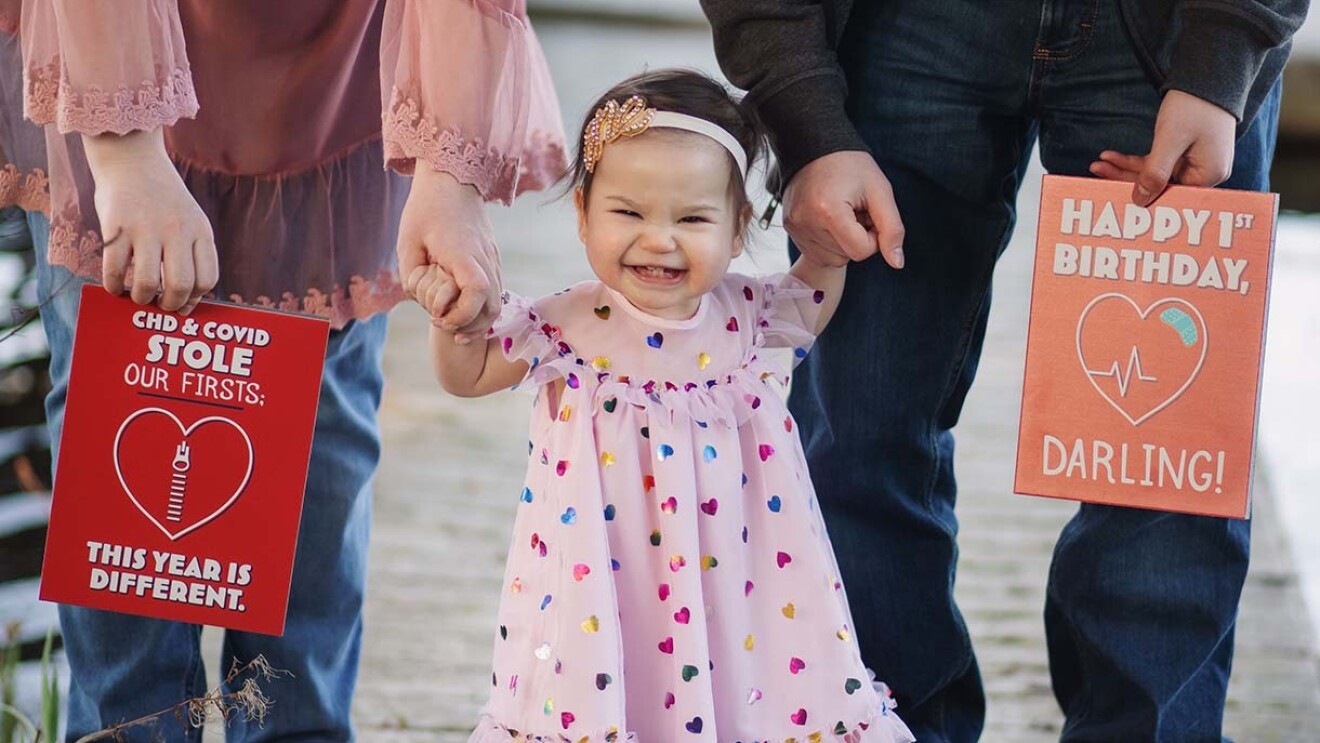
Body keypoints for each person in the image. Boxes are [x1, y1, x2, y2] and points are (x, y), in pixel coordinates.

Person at [699, 0, 1309, 741]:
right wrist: (804, 113)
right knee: (861, 433)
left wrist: (1222, 58)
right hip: (903, 30)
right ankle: (884, 727)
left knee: (1166, 467)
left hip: (1174, 32)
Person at [0, 1, 565, 740]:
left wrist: (448, 176)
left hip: (337, 95)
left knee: (319, 451)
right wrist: (125, 152)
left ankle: (298, 726)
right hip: (108, 50)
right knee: (116, 454)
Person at [409, 68, 916, 743]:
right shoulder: (569, 324)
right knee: (617, 690)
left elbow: (814, 299)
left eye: (693, 218)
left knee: (743, 691)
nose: (659, 238)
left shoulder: (747, 317)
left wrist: (829, 249)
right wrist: (454, 316)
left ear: (738, 230)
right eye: (629, 212)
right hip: (607, 580)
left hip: (735, 576)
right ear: (584, 214)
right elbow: (468, 373)